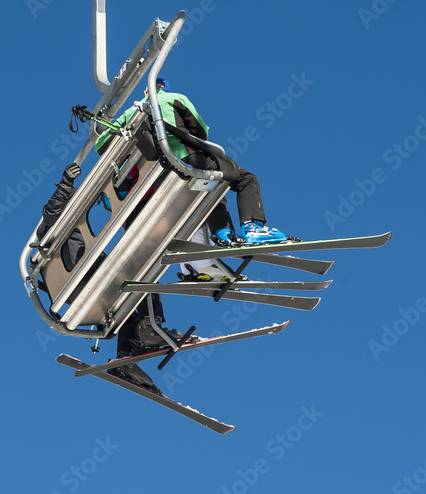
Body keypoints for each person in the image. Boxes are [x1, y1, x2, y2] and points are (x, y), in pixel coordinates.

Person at [37, 163, 193, 394]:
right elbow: (52, 213)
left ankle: (125, 360)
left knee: (127, 309)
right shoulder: (55, 233)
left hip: (84, 285)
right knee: (143, 275)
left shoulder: (76, 239)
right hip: (83, 280)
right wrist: (65, 185)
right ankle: (150, 327)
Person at [95, 76, 289, 245]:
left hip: (158, 176)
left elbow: (100, 145)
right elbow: (200, 130)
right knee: (245, 179)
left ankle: (223, 233)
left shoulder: (130, 113)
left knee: (209, 187)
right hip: (185, 159)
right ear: (165, 89)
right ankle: (253, 227)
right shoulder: (175, 98)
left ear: (146, 91)